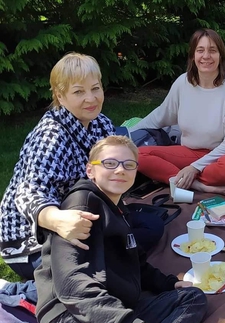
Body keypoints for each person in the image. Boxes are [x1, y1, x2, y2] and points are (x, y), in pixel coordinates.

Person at [0, 53, 164, 281]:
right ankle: (21, 292)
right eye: (79, 92)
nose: (91, 98)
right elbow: (27, 193)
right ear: (60, 95)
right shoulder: (50, 136)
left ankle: (114, 257)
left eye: (95, 88)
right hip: (36, 240)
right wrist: (57, 220)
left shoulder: (101, 124)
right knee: (106, 264)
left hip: (88, 214)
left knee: (152, 226)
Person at [34, 135, 208, 323]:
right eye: (109, 163)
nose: (120, 170)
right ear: (90, 170)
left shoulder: (118, 209)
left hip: (117, 305)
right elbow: (71, 285)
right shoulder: (81, 206)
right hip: (73, 312)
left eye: (128, 165)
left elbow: (137, 264)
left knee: (192, 298)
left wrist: (170, 283)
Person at [129, 28, 225, 197]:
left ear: (221, 55)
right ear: (193, 55)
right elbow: (161, 115)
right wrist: (126, 137)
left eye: (212, 50)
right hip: (191, 152)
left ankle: (178, 177)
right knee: (136, 154)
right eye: (200, 50)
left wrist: (194, 168)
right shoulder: (183, 83)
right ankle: (197, 185)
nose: (206, 56)